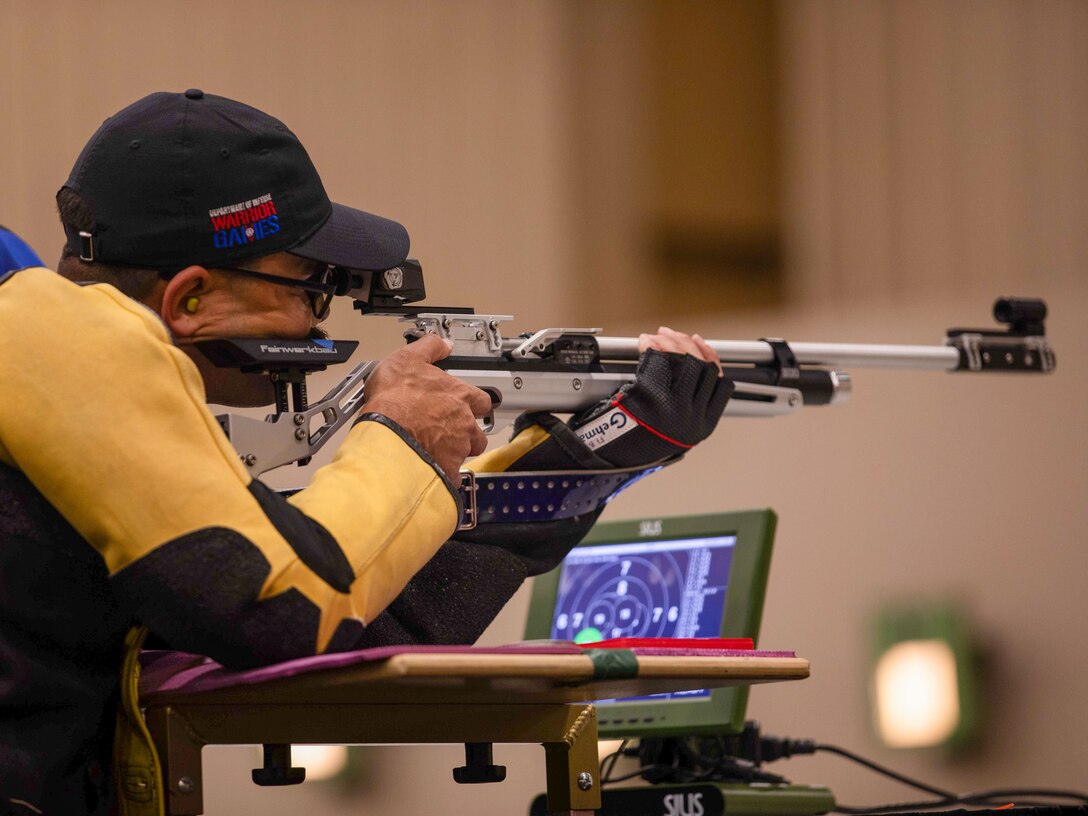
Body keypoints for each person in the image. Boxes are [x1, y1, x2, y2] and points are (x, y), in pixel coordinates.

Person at [0, 89, 733, 816]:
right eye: (310, 292)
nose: (315, 322)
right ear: (190, 299)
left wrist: (585, 459)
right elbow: (288, 607)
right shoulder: (59, 334)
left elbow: (363, 610)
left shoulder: (58, 391)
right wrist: (403, 438)